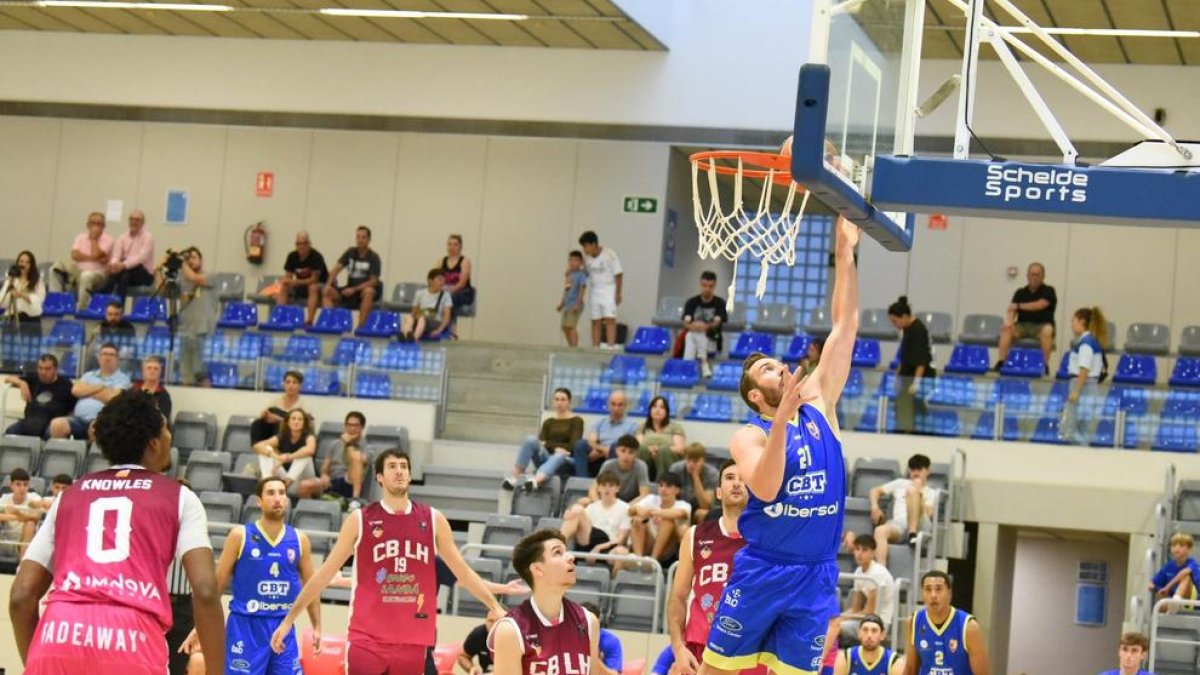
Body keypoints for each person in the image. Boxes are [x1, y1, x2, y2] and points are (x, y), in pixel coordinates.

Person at [700, 217, 859, 675]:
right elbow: (766, 490)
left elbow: (845, 323)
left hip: (816, 572)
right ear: (755, 395)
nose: (781, 368)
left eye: (777, 363)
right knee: (716, 671)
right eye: (768, 370)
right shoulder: (750, 434)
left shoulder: (821, 401)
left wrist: (845, 253)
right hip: (765, 568)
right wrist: (784, 420)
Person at [8, 389, 224, 675]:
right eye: (166, 428)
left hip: (57, 637)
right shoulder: (180, 497)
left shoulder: (68, 496)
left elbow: (21, 596)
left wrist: (38, 662)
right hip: (132, 643)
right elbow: (206, 591)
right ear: (154, 443)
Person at [270, 449, 514, 672]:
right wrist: (288, 620)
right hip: (366, 640)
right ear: (379, 477)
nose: (399, 471)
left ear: (409, 475)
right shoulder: (360, 519)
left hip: (413, 641)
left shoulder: (433, 519)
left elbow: (463, 572)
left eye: (404, 466)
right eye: (392, 466)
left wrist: (495, 606)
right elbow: (323, 574)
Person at [179, 476, 321, 675]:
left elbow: (311, 586)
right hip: (245, 627)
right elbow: (217, 586)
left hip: (283, 627)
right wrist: (199, 627)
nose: (277, 498)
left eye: (281, 493)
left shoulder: (299, 539)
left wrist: (317, 626)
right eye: (271, 493)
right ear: (259, 501)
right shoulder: (240, 536)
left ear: (287, 500)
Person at [667, 459, 766, 675]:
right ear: (719, 492)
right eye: (730, 478)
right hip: (701, 647)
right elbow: (677, 598)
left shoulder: (767, 540)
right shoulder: (695, 535)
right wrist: (678, 648)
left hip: (750, 651)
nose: (737, 483)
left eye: (744, 479)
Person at [488, 529, 601, 675]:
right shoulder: (511, 630)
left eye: (567, 551)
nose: (571, 557)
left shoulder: (589, 621)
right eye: (558, 552)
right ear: (538, 569)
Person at [903, 571, 989, 675]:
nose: (933, 595)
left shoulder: (969, 627)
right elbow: (910, 669)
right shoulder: (913, 622)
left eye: (938, 589)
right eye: (928, 589)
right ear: (922, 594)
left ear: (949, 593)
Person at [503, 387, 584, 492]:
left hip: (566, 460)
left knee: (559, 455)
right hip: (547, 457)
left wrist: (550, 445)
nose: (559, 402)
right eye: (557, 399)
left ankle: (535, 481)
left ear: (569, 402)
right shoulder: (548, 422)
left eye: (563, 399)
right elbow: (541, 443)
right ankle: (515, 477)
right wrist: (555, 447)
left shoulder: (577, 421)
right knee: (531, 439)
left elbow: (573, 446)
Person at [48, 342, 132, 439]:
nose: (107, 357)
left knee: (95, 428)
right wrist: (101, 387)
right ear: (99, 358)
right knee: (56, 425)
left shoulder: (123, 379)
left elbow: (112, 398)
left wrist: (87, 392)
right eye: (104, 354)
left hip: (103, 420)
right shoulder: (88, 375)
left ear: (117, 359)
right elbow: (76, 390)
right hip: (78, 419)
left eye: (111, 354)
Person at [161, 247, 218, 387]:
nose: (190, 261)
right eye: (187, 258)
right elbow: (164, 292)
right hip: (185, 331)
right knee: (186, 374)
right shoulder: (183, 279)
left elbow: (195, 278)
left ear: (201, 260)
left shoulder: (211, 275)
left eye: (193, 257)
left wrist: (181, 263)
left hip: (203, 332)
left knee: (201, 372)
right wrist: (158, 270)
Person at [869, 453, 938, 566]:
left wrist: (916, 495)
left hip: (921, 524)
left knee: (912, 491)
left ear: (927, 471)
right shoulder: (900, 483)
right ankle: (881, 572)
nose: (915, 473)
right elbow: (874, 491)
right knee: (879, 531)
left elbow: (929, 513)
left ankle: (912, 534)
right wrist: (875, 507)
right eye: (912, 469)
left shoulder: (932, 493)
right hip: (899, 526)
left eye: (919, 469)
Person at [995, 262, 1058, 374]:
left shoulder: (1049, 290)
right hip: (1022, 326)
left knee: (1048, 330)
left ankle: (1044, 365)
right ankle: (1001, 362)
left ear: (1043, 276)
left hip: (1041, 326)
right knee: (1006, 328)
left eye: (1037, 274)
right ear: (1027, 276)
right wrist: (1009, 321)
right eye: (1032, 274)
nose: (1034, 277)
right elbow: (1012, 309)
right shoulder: (1020, 292)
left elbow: (1041, 304)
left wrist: (1019, 306)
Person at [1061, 306, 1109, 445]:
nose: (1071, 324)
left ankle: (1086, 451)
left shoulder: (1086, 344)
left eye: (1073, 321)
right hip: (1090, 386)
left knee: (1069, 430)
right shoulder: (1092, 342)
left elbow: (1084, 369)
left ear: (1082, 321)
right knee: (1083, 430)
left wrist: (1076, 390)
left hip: (1082, 386)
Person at [300, 410, 369, 507]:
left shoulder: (367, 447)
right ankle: (316, 511)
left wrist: (348, 443)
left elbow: (359, 460)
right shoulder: (334, 444)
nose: (352, 428)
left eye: (356, 425)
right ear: (345, 426)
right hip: (332, 481)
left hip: (350, 483)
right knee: (304, 486)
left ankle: (354, 500)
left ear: (362, 427)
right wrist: (324, 475)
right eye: (349, 425)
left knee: (356, 457)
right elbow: (325, 467)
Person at [888, 296, 934, 434]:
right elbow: (904, 357)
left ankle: (911, 431)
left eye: (895, 321)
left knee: (911, 407)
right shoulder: (907, 330)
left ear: (904, 316)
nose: (894, 325)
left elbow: (921, 361)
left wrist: (917, 382)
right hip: (906, 375)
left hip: (915, 377)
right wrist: (897, 376)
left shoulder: (918, 330)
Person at [628, 472, 691, 571]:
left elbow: (679, 513)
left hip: (669, 548)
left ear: (677, 490)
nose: (663, 489)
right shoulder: (652, 499)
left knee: (668, 521)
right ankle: (639, 559)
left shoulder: (683, 504)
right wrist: (639, 510)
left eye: (668, 486)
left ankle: (653, 560)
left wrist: (652, 512)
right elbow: (630, 510)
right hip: (649, 542)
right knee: (636, 520)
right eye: (661, 485)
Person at [49, 210, 113, 309]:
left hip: (98, 275)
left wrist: (93, 239)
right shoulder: (80, 237)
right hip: (78, 270)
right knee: (55, 268)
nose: (95, 227)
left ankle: (81, 308)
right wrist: (94, 258)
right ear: (88, 225)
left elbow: (96, 254)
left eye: (98, 224)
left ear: (103, 226)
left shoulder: (108, 240)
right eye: (92, 223)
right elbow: (75, 255)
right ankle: (56, 301)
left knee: (86, 275)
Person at [560, 471, 631, 558]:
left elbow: (621, 539)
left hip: (609, 545)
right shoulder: (591, 507)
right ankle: (558, 546)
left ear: (617, 489)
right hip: (590, 541)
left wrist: (600, 547)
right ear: (598, 488)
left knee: (622, 552)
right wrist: (570, 511)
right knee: (576, 509)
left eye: (611, 486)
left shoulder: (625, 508)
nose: (607, 489)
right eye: (604, 486)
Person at [4, 353, 75, 438]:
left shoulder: (66, 385)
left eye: (47, 369)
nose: (43, 372)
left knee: (51, 433)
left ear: (56, 370)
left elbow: (73, 410)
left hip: (50, 424)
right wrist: (21, 383)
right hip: (29, 421)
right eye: (40, 368)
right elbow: (8, 379)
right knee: (9, 433)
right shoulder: (34, 379)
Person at [323, 225, 381, 327]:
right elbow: (335, 270)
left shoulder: (374, 257)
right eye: (358, 237)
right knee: (327, 291)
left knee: (369, 291)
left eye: (363, 237)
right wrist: (328, 285)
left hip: (362, 290)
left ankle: (361, 328)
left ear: (369, 239)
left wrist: (354, 289)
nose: (360, 240)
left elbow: (373, 281)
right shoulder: (350, 252)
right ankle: (330, 324)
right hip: (349, 289)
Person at [572, 390, 640, 477]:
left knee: (617, 446)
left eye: (620, 405)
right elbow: (592, 442)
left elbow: (629, 448)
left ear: (625, 406)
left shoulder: (633, 426)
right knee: (580, 444)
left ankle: (610, 482)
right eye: (613, 404)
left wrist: (608, 450)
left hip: (616, 459)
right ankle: (581, 482)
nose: (616, 408)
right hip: (597, 458)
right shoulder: (599, 423)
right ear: (608, 405)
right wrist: (604, 451)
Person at [253, 408, 318, 495]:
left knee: (304, 455)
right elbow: (257, 446)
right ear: (288, 422)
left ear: (304, 423)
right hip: (286, 479)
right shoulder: (282, 436)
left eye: (300, 419)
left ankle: (284, 485)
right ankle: (268, 485)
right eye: (293, 418)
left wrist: (289, 457)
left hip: (303, 482)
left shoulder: (309, 437)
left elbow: (310, 450)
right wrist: (276, 457)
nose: (296, 422)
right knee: (266, 450)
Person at [840, 535, 895, 635]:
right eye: (857, 549)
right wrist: (838, 617)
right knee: (829, 623)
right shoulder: (858, 571)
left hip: (879, 622)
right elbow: (856, 608)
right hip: (864, 619)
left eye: (864, 550)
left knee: (834, 627)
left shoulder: (877, 573)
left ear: (873, 553)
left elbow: (869, 612)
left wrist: (841, 619)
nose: (859, 554)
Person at [578, 230, 623, 349]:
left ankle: (610, 347)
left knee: (610, 319)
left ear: (594, 244)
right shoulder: (586, 259)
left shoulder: (609, 254)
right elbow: (584, 274)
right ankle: (595, 347)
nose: (585, 250)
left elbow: (618, 274)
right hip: (595, 290)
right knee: (595, 320)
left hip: (609, 288)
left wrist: (618, 293)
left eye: (586, 246)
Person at [682, 271, 728, 378]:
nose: (707, 289)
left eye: (710, 286)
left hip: (712, 339)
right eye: (704, 285)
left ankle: (687, 367)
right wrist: (695, 326)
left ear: (714, 286)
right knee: (691, 335)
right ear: (700, 285)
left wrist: (704, 326)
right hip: (694, 341)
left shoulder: (720, 303)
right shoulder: (691, 302)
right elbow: (686, 323)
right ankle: (704, 362)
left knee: (696, 335)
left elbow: (717, 323)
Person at [101, 209, 156, 298]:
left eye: (137, 220)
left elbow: (141, 258)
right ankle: (118, 307)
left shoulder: (148, 237)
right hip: (127, 273)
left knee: (126, 269)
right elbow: (116, 256)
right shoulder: (122, 237)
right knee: (124, 276)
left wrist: (123, 265)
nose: (134, 222)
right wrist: (113, 265)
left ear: (143, 223)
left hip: (144, 274)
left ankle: (101, 293)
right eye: (131, 219)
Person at [277, 231, 328, 325]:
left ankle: (309, 320)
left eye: (304, 243)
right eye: (299, 244)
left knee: (312, 287)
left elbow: (314, 279)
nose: (301, 246)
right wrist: (285, 281)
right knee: (284, 287)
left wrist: (296, 282)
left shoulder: (316, 256)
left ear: (309, 244)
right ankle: (281, 316)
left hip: (319, 285)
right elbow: (288, 276)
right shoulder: (292, 256)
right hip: (301, 284)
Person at [588, 435, 651, 504]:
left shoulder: (641, 466)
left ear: (636, 454)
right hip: (610, 501)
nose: (626, 455)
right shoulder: (608, 465)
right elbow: (593, 488)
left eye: (631, 452)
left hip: (632, 504)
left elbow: (644, 494)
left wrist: (625, 508)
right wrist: (597, 502)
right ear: (617, 451)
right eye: (623, 451)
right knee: (584, 501)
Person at [637, 395, 687, 481]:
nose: (657, 410)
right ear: (650, 410)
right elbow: (638, 446)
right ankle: (641, 483)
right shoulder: (643, 427)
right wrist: (650, 449)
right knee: (642, 449)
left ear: (667, 411)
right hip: (647, 458)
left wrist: (658, 450)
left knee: (663, 451)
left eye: (662, 407)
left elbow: (680, 449)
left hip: (667, 459)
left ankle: (664, 484)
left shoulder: (674, 427)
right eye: (654, 406)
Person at [833, 614, 903, 675]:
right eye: (865, 630)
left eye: (874, 631)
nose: (869, 635)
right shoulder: (845, 658)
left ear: (882, 635)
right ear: (859, 633)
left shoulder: (894, 661)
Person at [250, 370, 307, 444]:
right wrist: (264, 415)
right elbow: (266, 415)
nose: (291, 385)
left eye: (294, 382)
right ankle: (258, 447)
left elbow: (304, 426)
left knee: (280, 426)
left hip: (290, 436)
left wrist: (279, 419)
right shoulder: (275, 401)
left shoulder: (303, 405)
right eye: (288, 382)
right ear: (284, 384)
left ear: (300, 386)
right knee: (257, 423)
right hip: (270, 431)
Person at [667, 443, 719, 523]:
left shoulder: (712, 474)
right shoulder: (676, 469)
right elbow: (667, 494)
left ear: (703, 461)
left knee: (702, 513)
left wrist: (696, 477)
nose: (691, 464)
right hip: (678, 507)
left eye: (695, 461)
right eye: (688, 460)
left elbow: (705, 505)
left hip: (697, 510)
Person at [0, 467, 43, 559]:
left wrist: (16, 513)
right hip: (5, 540)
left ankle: (22, 566)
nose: (22, 488)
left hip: (25, 543)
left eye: (25, 484)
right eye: (18, 484)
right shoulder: (5, 498)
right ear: (11, 485)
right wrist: (17, 517)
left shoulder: (35, 499)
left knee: (30, 524)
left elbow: (36, 518)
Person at [400, 268, 453, 342]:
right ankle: (405, 335)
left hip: (434, 322)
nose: (442, 283)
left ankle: (414, 339)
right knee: (409, 317)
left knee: (422, 319)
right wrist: (412, 319)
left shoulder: (445, 295)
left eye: (444, 280)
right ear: (430, 281)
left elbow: (447, 317)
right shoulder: (420, 293)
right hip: (420, 319)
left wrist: (439, 330)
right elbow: (413, 313)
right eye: (439, 280)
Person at [1149, 531, 1200, 605]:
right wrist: (1155, 587)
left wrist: (1167, 587)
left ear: (1189, 549)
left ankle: (1175, 602)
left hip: (1191, 600)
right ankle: (1171, 608)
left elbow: (1183, 573)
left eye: (1181, 545)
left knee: (1185, 577)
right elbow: (1153, 582)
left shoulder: (1192, 563)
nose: (1177, 548)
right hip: (1172, 600)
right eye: (1174, 545)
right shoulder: (1168, 566)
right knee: (1161, 594)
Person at [1, 250, 46, 333]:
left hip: (31, 321)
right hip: (12, 319)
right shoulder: (11, 279)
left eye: (27, 262)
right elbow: (2, 302)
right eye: (21, 261)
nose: (23, 265)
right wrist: (10, 293)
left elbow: (40, 301)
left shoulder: (38, 281)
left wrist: (23, 295)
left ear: (31, 265)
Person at [439, 234, 474, 325]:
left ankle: (447, 327)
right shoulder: (442, 261)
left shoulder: (465, 261)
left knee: (449, 299)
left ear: (460, 247)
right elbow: (436, 278)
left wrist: (449, 290)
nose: (452, 247)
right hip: (446, 290)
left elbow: (462, 283)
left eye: (455, 244)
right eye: (449, 244)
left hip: (462, 292)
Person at [580, 601, 623, 675]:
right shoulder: (568, 638)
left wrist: (593, 658)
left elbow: (614, 674)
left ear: (598, 621)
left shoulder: (610, 641)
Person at [558, 250, 588, 348]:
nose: (572, 262)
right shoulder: (569, 275)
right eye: (570, 260)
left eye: (576, 260)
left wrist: (577, 304)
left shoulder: (581, 275)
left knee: (571, 326)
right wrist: (562, 303)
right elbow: (566, 290)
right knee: (564, 327)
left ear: (581, 262)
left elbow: (582, 290)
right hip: (567, 304)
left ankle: (574, 348)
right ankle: (570, 346)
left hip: (575, 304)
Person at [132, 355, 172, 422]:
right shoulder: (133, 391)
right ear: (143, 371)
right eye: (149, 368)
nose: (152, 371)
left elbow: (163, 419)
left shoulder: (164, 395)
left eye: (156, 368)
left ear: (160, 372)